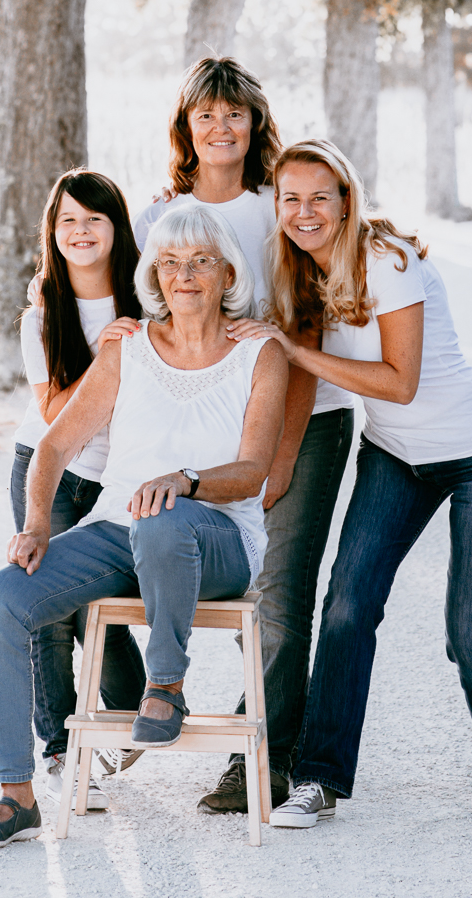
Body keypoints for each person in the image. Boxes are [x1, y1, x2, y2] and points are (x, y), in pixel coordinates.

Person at [227, 139, 472, 828]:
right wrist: (277, 467)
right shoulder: (296, 268)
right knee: (346, 609)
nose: (304, 211)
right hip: (394, 458)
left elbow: (399, 384)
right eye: (291, 198)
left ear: (346, 198)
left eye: (320, 196)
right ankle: (318, 779)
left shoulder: (386, 261)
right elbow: (304, 372)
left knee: (471, 635)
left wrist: (294, 348)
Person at [0, 206, 287, 849]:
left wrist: (185, 481)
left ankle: (165, 685)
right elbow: (51, 447)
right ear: (154, 276)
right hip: (121, 529)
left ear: (226, 274)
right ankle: (15, 795)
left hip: (217, 538)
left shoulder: (259, 352)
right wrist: (38, 526)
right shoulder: (127, 348)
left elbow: (251, 472)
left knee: (162, 518)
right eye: (169, 263)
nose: (183, 276)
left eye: (199, 262)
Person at [134, 58, 358, 816]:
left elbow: (301, 328)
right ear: (185, 126)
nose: (221, 128)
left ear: (255, 123)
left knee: (281, 597)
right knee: (215, 586)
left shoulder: (275, 211)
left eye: (235, 114)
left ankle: (262, 758)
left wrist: (282, 454)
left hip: (302, 424)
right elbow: (138, 311)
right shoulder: (160, 214)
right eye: (206, 114)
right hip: (205, 439)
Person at [14, 169, 146, 811]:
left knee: (101, 606)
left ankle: (130, 714)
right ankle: (60, 752)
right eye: (67, 221)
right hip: (52, 468)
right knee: (47, 605)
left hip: (121, 472)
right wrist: (107, 355)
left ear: (118, 227)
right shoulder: (43, 316)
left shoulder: (147, 297)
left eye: (94, 218)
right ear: (53, 233)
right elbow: (54, 418)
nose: (81, 231)